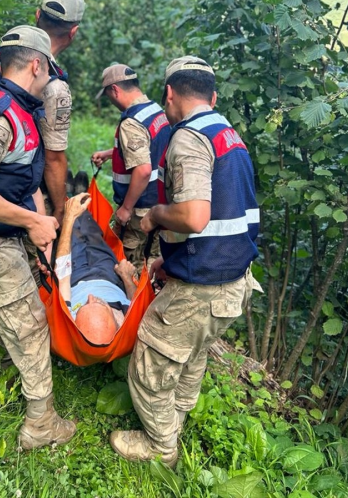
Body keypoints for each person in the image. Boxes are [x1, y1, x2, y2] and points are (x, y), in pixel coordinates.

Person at [110, 56, 262, 467]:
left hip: (205, 285)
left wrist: (155, 216)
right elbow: (224, 214)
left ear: (170, 94)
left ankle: (161, 448)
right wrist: (170, 260)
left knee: (150, 358)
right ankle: (175, 419)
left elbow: (194, 215)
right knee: (192, 353)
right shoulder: (228, 134)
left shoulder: (189, 138)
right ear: (213, 96)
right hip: (233, 278)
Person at [0, 25, 76, 451]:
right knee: (32, 327)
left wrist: (38, 225)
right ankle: (40, 426)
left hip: (5, 236)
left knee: (23, 317)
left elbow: (22, 180)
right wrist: (33, 221)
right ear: (37, 64)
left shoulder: (21, 112)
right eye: (49, 73)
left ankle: (13, 374)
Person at [0, 0, 85, 226]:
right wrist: (61, 209)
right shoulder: (55, 85)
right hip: (28, 190)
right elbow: (53, 158)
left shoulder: (6, 51)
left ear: (37, 15)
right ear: (73, 31)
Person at [91, 64, 170, 272]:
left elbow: (143, 169)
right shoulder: (154, 110)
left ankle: (138, 303)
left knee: (130, 266)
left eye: (108, 95)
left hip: (140, 209)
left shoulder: (131, 122)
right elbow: (151, 147)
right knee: (155, 260)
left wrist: (126, 209)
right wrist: (111, 153)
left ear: (115, 90)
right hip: (161, 202)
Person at [40, 193, 139, 345]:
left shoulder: (71, 319)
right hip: (109, 274)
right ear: (116, 319)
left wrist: (69, 218)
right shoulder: (126, 319)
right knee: (94, 236)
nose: (91, 297)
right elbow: (135, 302)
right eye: (99, 303)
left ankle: (67, 201)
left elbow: (63, 274)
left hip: (75, 275)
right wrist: (126, 276)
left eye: (84, 305)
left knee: (73, 234)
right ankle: (82, 207)